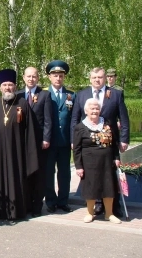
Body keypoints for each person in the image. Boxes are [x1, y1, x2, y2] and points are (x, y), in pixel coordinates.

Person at [71, 67, 130, 217]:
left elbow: (124, 118)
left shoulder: (116, 94)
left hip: (109, 144)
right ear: (90, 79)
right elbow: (75, 119)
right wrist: (73, 139)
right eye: (94, 77)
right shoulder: (81, 94)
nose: (97, 80)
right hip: (88, 146)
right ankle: (97, 205)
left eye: (100, 77)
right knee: (93, 175)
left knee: (109, 175)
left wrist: (124, 139)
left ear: (105, 78)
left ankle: (113, 208)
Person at [0, 69, 39, 220]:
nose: (8, 88)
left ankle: (18, 210)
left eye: (10, 85)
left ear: (15, 86)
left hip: (17, 151)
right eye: (5, 85)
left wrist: (30, 153)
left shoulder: (22, 103)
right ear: (0, 87)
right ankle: (0, 210)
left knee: (18, 177)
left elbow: (30, 131)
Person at [73, 98, 121, 224]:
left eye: (97, 108)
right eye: (92, 108)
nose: (95, 111)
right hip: (89, 163)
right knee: (91, 187)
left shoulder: (107, 123)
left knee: (108, 186)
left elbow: (114, 144)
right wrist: (79, 166)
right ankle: (90, 213)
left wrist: (116, 158)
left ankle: (109, 214)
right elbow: (76, 149)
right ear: (86, 110)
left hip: (107, 161)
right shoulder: (80, 127)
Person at [17, 67, 53, 217]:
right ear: (24, 78)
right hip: (22, 142)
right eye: (28, 76)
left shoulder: (45, 95)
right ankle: (26, 205)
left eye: (34, 76)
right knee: (25, 174)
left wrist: (46, 138)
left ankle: (37, 205)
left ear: (38, 78)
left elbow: (48, 120)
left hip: (39, 143)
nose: (31, 79)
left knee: (39, 174)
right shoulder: (17, 95)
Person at [45, 60, 75, 213]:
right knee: (49, 173)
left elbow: (73, 120)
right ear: (49, 77)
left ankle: (63, 201)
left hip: (64, 142)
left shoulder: (71, 95)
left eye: (61, 76)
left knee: (64, 173)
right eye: (55, 75)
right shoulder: (44, 94)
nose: (58, 78)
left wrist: (73, 140)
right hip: (49, 142)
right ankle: (50, 201)